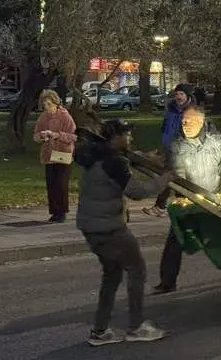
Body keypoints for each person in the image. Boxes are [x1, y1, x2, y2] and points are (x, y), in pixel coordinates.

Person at [75, 119, 173, 346]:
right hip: (109, 228)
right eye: (127, 135)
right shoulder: (114, 162)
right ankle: (136, 327)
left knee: (112, 275)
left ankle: (100, 331)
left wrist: (145, 157)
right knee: (136, 269)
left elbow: (127, 157)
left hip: (90, 226)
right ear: (115, 137)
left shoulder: (95, 153)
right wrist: (163, 180)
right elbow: (136, 192)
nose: (130, 139)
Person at [153, 105, 221, 293]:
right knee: (175, 239)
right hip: (189, 200)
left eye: (190, 121)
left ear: (201, 121)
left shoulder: (217, 140)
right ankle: (167, 282)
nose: (186, 125)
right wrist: (183, 194)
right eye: (184, 121)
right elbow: (176, 172)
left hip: (216, 199)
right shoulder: (177, 145)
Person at [142, 85, 193, 218]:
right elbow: (166, 128)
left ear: (187, 96)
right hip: (169, 148)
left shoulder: (192, 111)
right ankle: (178, 205)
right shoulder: (171, 110)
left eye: (182, 94)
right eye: (177, 94)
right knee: (173, 179)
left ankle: (162, 206)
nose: (179, 97)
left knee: (170, 177)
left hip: (183, 151)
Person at [32, 89, 77, 223]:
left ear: (56, 103)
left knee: (61, 184)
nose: (47, 107)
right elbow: (35, 135)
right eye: (45, 105)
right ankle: (54, 211)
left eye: (49, 104)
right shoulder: (43, 118)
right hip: (49, 155)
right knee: (51, 184)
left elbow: (73, 136)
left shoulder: (65, 116)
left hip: (62, 154)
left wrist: (56, 135)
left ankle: (62, 211)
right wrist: (42, 136)